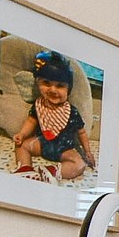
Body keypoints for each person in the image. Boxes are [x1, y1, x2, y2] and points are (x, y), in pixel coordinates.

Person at [9, 51, 96, 182]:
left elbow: (82, 132)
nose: (53, 90)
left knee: (79, 164)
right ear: (38, 83)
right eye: (46, 83)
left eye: (60, 86)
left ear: (69, 90)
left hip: (64, 149)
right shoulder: (39, 105)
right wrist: (22, 134)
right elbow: (31, 121)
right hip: (42, 144)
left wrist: (87, 152)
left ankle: (52, 171)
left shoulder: (71, 111)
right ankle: (26, 169)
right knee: (21, 145)